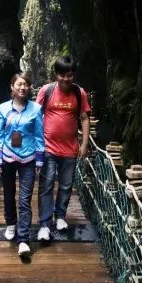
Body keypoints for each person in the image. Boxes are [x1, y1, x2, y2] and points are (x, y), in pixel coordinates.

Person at [35, 56, 91, 241]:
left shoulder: (79, 93)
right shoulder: (47, 90)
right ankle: (44, 224)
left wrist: (84, 144)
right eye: (62, 75)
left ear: (73, 74)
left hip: (70, 149)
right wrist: (35, 144)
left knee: (66, 186)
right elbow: (35, 116)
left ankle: (60, 217)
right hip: (48, 148)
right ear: (56, 74)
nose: (66, 79)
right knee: (47, 185)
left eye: (69, 75)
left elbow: (84, 118)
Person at [0, 72, 45, 257]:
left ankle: (23, 239)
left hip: (28, 158)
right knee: (8, 194)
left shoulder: (36, 109)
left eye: (26, 85)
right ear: (12, 87)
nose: (22, 87)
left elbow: (39, 135)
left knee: (24, 199)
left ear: (29, 88)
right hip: (7, 156)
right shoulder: (3, 109)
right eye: (19, 84)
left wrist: (39, 158)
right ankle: (11, 223)